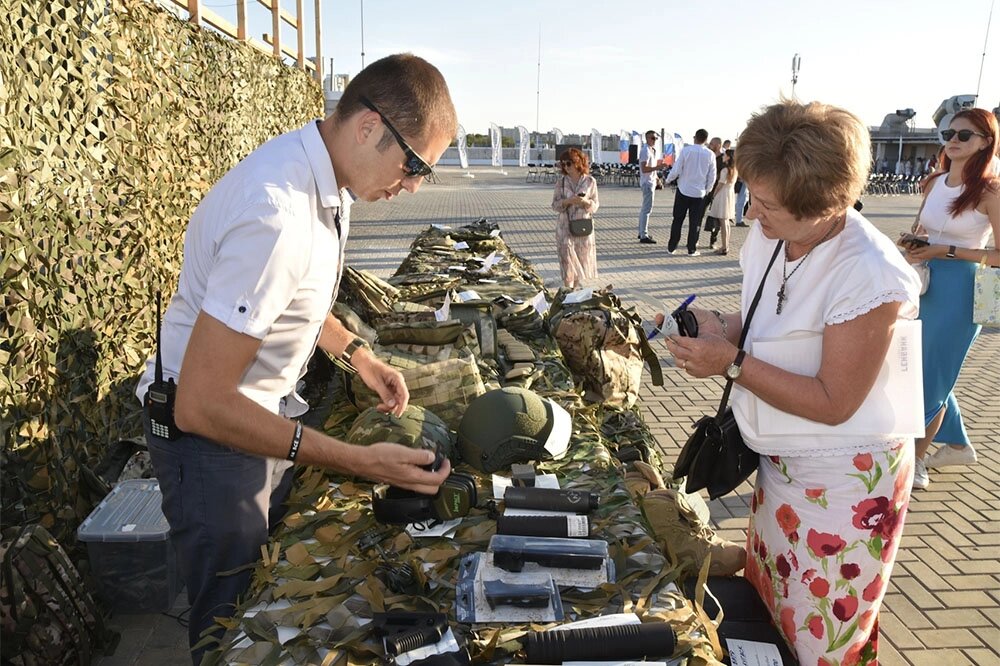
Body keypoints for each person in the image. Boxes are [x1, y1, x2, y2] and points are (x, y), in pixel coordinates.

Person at [134, 53, 457, 663]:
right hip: (213, 444)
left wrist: (358, 354)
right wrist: (360, 461)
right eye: (414, 164)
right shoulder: (277, 214)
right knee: (229, 628)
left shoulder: (327, 179)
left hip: (254, 420)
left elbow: (291, 302)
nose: (413, 184)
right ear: (369, 126)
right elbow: (202, 403)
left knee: (258, 597)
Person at [665, 100, 920, 665]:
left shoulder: (869, 272)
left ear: (826, 205)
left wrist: (730, 362)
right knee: (773, 604)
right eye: (751, 194)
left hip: (844, 481)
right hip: (781, 458)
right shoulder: (770, 232)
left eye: (769, 204)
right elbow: (765, 324)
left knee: (821, 629)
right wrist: (718, 327)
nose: (752, 213)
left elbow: (835, 402)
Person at [902, 108, 999, 489]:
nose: (953, 141)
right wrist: (916, 242)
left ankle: (916, 458)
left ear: (985, 142)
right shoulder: (934, 182)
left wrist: (947, 252)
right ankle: (957, 443)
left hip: (961, 289)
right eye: (949, 133)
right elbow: (924, 227)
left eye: (964, 135)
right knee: (927, 367)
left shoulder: (990, 191)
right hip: (924, 279)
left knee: (930, 375)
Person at [552, 147, 599, 289]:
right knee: (566, 259)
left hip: (582, 227)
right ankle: (568, 289)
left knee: (580, 260)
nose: (566, 167)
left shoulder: (590, 181)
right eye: (563, 164)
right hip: (565, 227)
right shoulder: (562, 182)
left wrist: (585, 202)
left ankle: (575, 291)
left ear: (578, 162)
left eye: (569, 163)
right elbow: (554, 205)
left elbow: (595, 205)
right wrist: (568, 201)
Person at [665, 129, 716, 256]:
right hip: (699, 193)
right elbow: (712, 176)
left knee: (677, 220)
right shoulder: (710, 154)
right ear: (706, 140)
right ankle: (691, 249)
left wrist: (668, 179)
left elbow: (677, 169)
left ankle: (672, 247)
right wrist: (707, 190)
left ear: (695, 138)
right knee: (695, 222)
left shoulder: (686, 151)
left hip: (683, 190)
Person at [706, 148, 737, 254]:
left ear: (728, 157)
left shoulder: (725, 170)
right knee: (726, 221)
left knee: (723, 221)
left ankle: (724, 247)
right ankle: (726, 245)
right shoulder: (734, 170)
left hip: (722, 195)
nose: (723, 157)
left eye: (724, 155)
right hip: (729, 194)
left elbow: (720, 184)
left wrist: (713, 195)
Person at [637, 130, 660, 244]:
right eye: (652, 138)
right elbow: (644, 168)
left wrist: (657, 178)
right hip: (647, 183)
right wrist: (658, 168)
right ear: (647, 138)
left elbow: (651, 168)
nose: (654, 140)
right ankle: (643, 234)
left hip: (651, 181)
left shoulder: (652, 150)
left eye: (656, 138)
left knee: (645, 208)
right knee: (647, 209)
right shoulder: (645, 150)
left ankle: (641, 231)